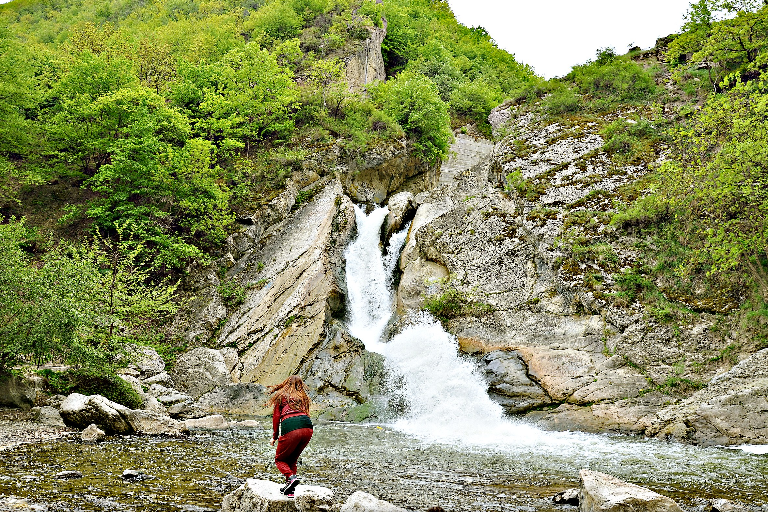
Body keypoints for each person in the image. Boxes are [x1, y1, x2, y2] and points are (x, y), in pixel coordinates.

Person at [266, 375, 313, 497]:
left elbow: (276, 418)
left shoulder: (281, 396)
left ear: (286, 383)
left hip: (291, 426)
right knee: (292, 460)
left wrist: (274, 436)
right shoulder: (303, 398)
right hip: (307, 427)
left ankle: (291, 478)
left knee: (280, 459)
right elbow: (306, 413)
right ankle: (290, 491)